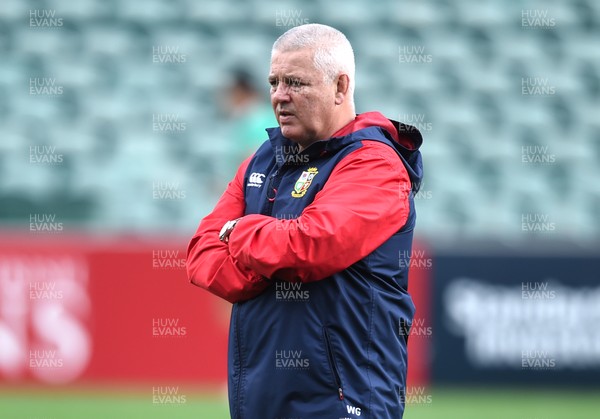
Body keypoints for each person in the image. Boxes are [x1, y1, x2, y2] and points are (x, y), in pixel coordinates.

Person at [186, 23, 423, 419]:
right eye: (274, 82)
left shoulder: (375, 164)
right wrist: (268, 261)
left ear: (340, 87)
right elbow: (201, 253)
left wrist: (243, 235)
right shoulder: (263, 157)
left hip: (342, 404)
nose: (279, 96)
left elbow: (308, 247)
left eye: (296, 82)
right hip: (258, 402)